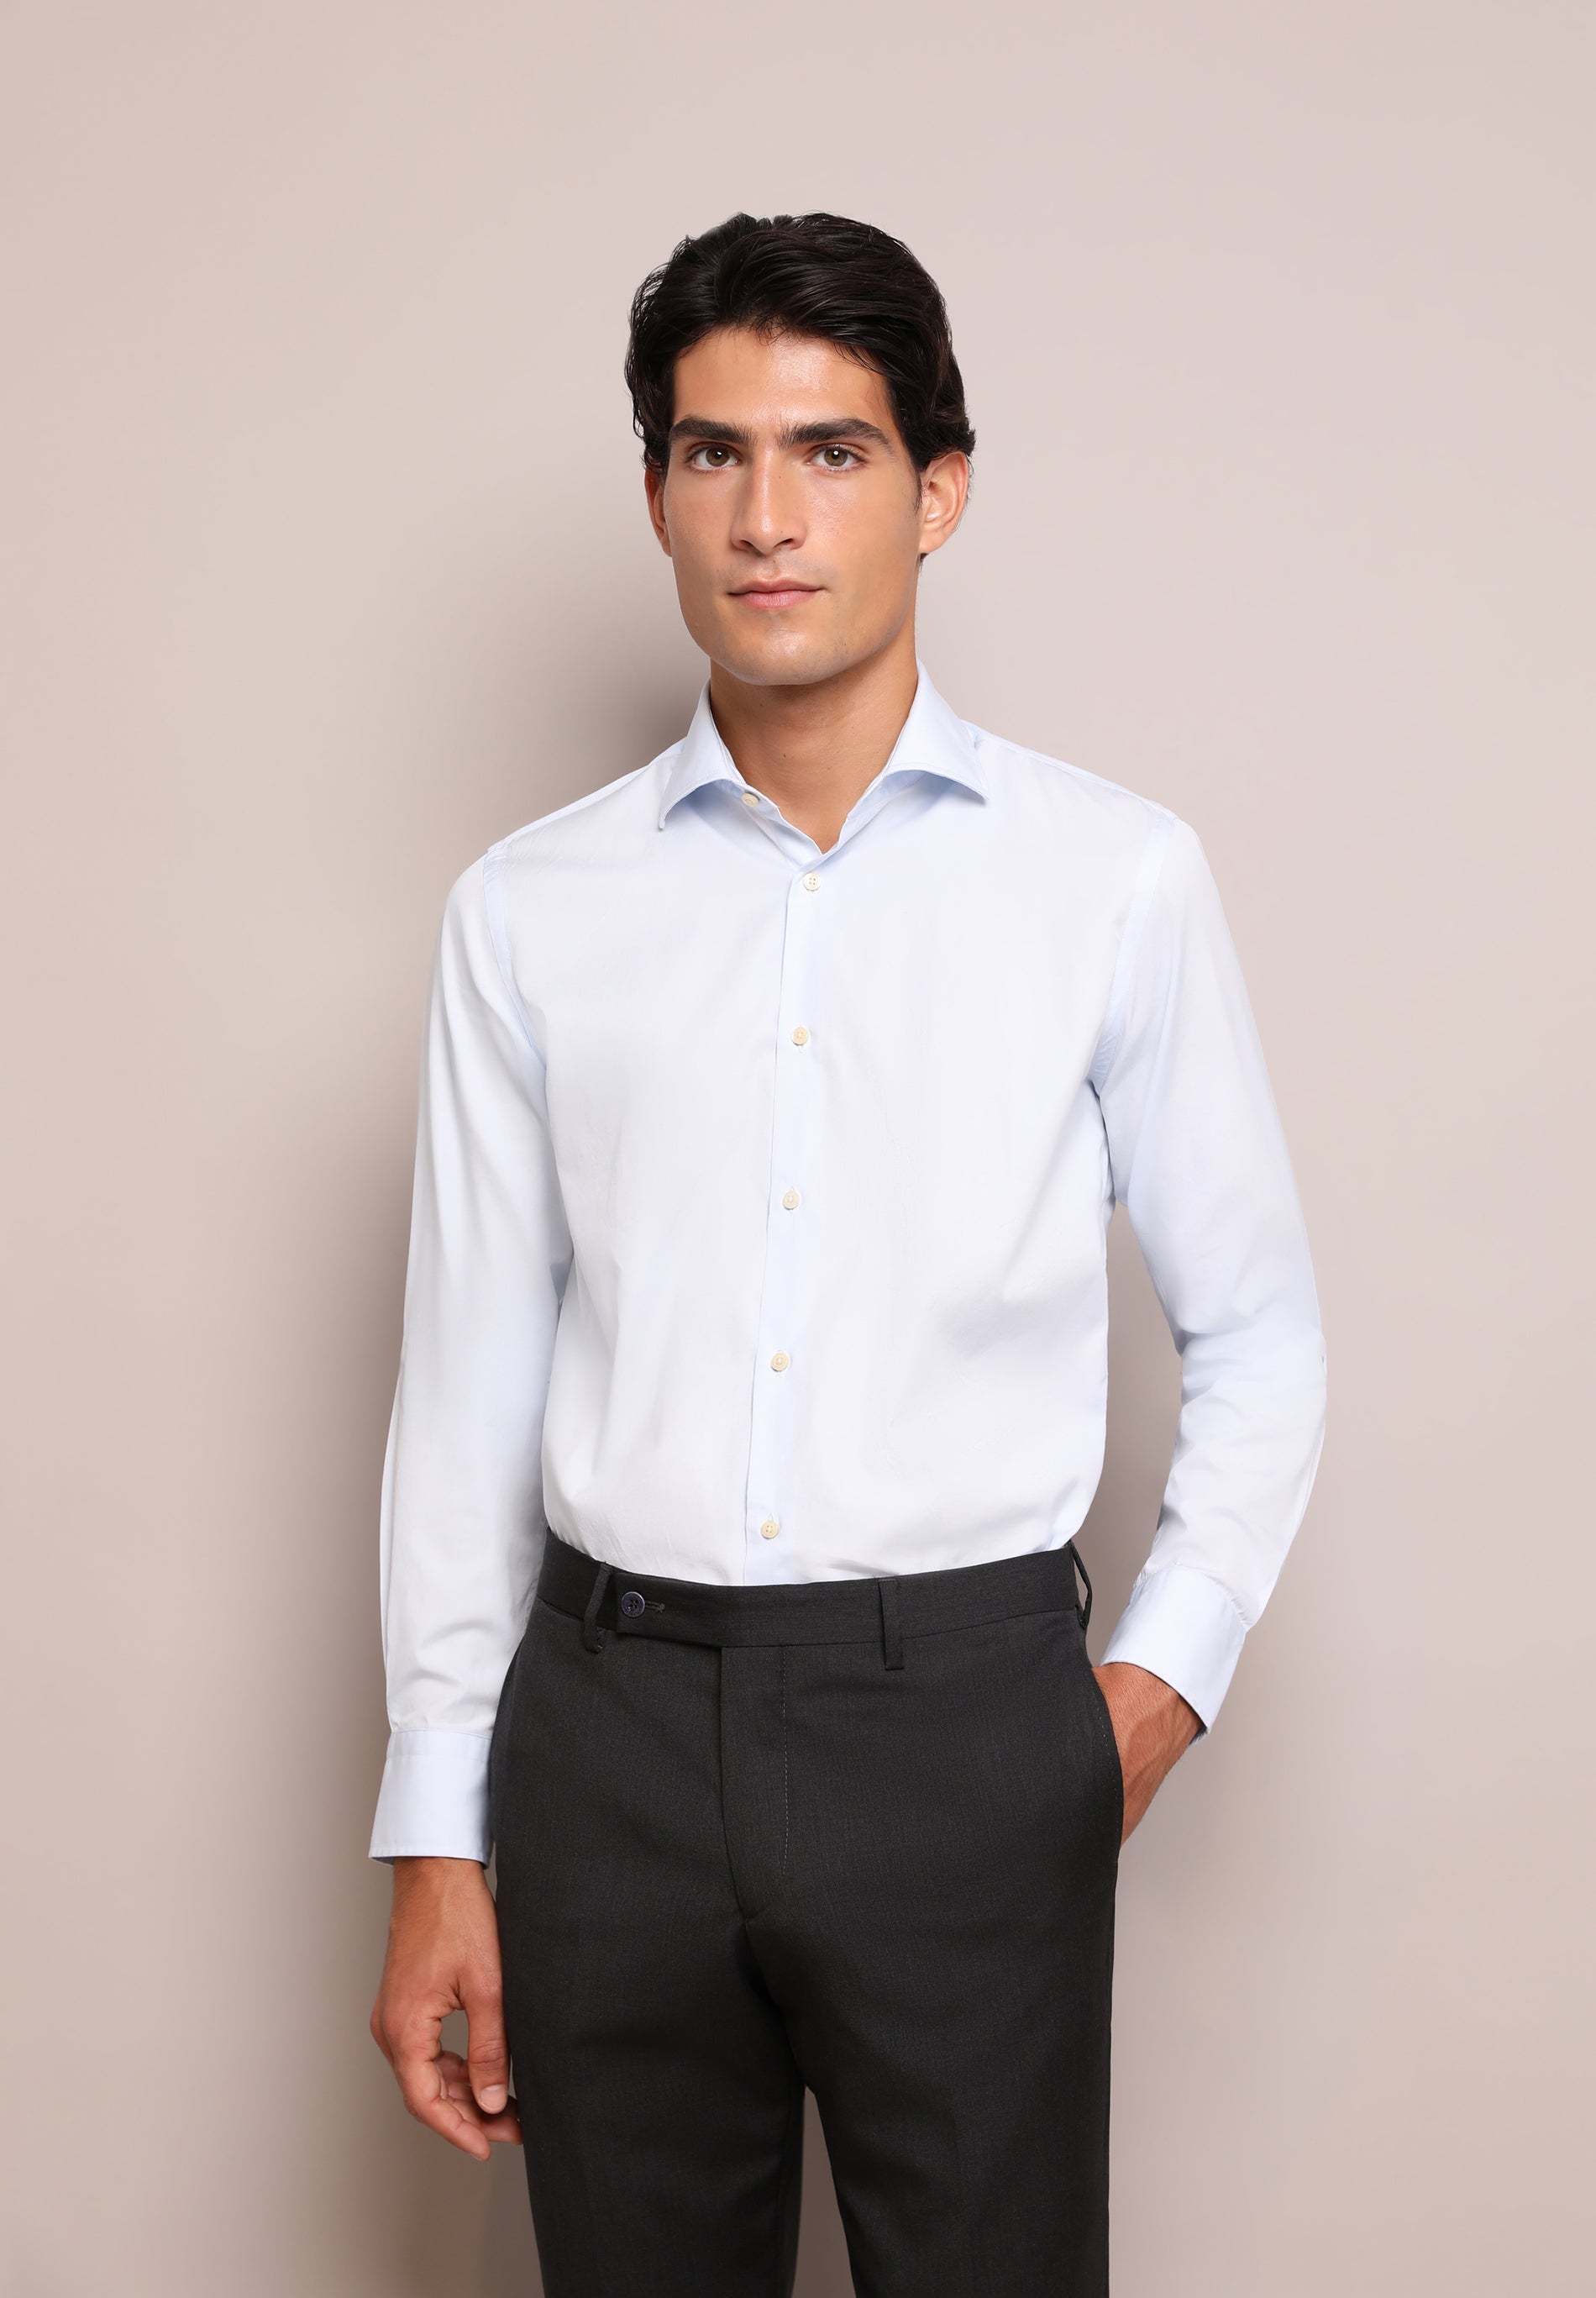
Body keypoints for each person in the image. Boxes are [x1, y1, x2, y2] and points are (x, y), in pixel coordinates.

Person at [367, 210, 1326, 2297]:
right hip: (605, 1740)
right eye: (712, 453)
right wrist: (437, 1832)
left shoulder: (1110, 881)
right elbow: (465, 1392)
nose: (766, 515)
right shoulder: (527, 912)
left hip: (963, 1729)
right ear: (654, 495)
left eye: (831, 450)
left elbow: (1258, 1335)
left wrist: (1143, 1699)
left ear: (935, 491)